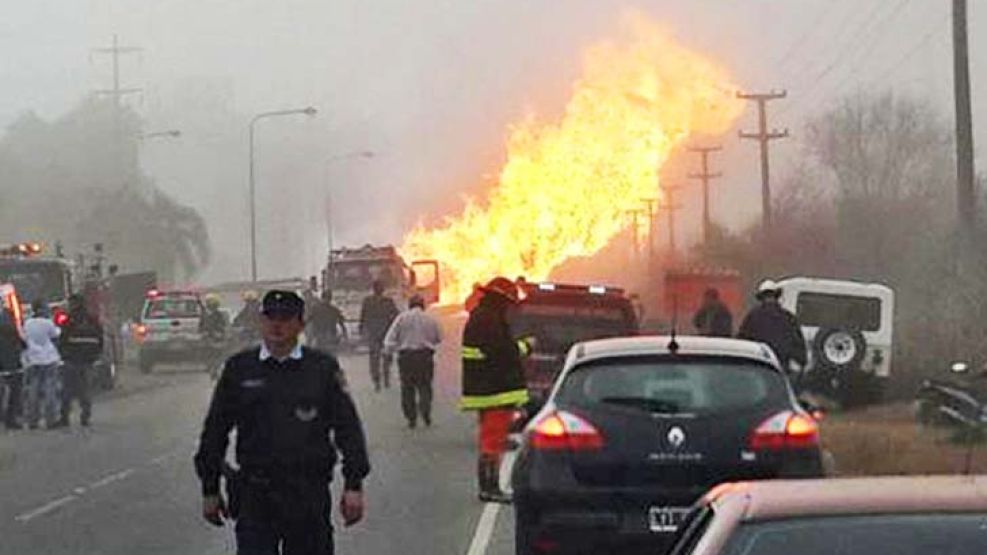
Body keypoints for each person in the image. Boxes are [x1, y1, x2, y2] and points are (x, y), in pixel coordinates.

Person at [194, 290, 370, 555]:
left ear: (300, 324)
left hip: (307, 493)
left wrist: (353, 485)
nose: (277, 324)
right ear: (261, 321)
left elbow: (347, 428)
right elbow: (215, 430)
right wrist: (210, 488)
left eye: (286, 318)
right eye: (270, 317)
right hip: (256, 493)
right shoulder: (240, 368)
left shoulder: (321, 368)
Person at [461, 277, 533, 503]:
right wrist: (526, 346)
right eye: (509, 302)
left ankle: (489, 487)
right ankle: (489, 488)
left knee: (491, 439)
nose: (511, 307)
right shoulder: (489, 320)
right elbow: (502, 352)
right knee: (492, 441)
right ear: (501, 299)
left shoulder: (483, 316)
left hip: (487, 388)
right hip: (494, 390)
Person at [383, 294, 442, 429]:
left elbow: (390, 339)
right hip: (425, 357)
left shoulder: (401, 318)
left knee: (407, 388)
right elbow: (439, 337)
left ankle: (411, 418)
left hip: (406, 358)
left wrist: (388, 353)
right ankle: (425, 412)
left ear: (410, 305)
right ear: (423, 305)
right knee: (425, 387)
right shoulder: (430, 319)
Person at [738, 280, 807, 371]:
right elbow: (797, 342)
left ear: (761, 298)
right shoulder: (788, 317)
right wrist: (801, 361)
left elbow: (743, 339)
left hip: (759, 363)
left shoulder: (753, 316)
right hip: (781, 364)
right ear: (777, 296)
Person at [56, 294, 103, 428]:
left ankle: (64, 417)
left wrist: (63, 355)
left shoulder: (69, 320)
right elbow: (100, 339)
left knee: (67, 390)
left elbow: (63, 340)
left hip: (72, 360)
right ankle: (85, 416)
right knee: (85, 389)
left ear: (74, 304)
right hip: (88, 360)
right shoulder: (93, 319)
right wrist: (96, 356)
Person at [21, 300, 62, 430]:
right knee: (50, 389)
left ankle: (32, 419)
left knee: (33, 390)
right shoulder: (47, 323)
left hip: (33, 359)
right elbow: (55, 335)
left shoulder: (27, 323)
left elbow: (24, 338)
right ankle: (51, 419)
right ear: (42, 309)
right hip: (49, 358)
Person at [359, 281, 399, 392]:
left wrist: (362, 329)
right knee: (386, 357)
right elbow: (396, 316)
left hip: (373, 332)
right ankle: (385, 378)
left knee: (374, 359)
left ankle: (377, 381)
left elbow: (363, 316)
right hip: (386, 333)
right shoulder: (388, 301)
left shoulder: (367, 301)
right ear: (382, 290)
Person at [0, 303, 24, 430]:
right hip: (9, 357)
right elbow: (15, 332)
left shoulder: (8, 314)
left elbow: (15, 333)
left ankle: (10, 418)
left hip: (9, 357)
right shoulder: (8, 315)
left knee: (13, 390)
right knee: (13, 389)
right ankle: (10, 418)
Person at [200, 294, 229, 379]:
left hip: (217, 338)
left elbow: (222, 326)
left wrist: (219, 333)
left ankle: (214, 369)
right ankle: (212, 368)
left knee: (217, 354)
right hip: (209, 338)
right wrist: (204, 332)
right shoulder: (205, 314)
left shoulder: (218, 315)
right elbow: (201, 326)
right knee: (210, 354)